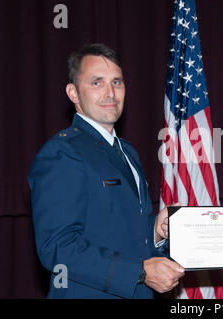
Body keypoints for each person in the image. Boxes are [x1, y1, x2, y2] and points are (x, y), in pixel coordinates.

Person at [28, 43, 184, 298]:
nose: (110, 93)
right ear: (73, 93)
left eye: (117, 82)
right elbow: (57, 247)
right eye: (97, 83)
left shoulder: (128, 152)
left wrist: (155, 229)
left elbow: (121, 232)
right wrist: (140, 272)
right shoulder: (62, 152)